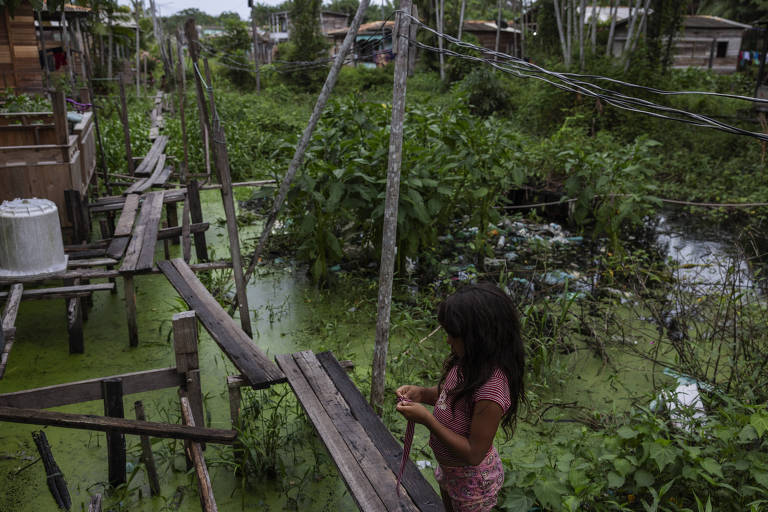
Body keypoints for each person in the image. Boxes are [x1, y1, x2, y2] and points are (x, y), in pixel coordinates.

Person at [396, 282, 526, 512]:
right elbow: (452, 397)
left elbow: (474, 453)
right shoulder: (467, 363)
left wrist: (427, 419)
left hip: (473, 483)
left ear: (479, 337)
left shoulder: (492, 391)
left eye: (453, 335)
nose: (448, 341)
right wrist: (423, 394)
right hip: (450, 472)